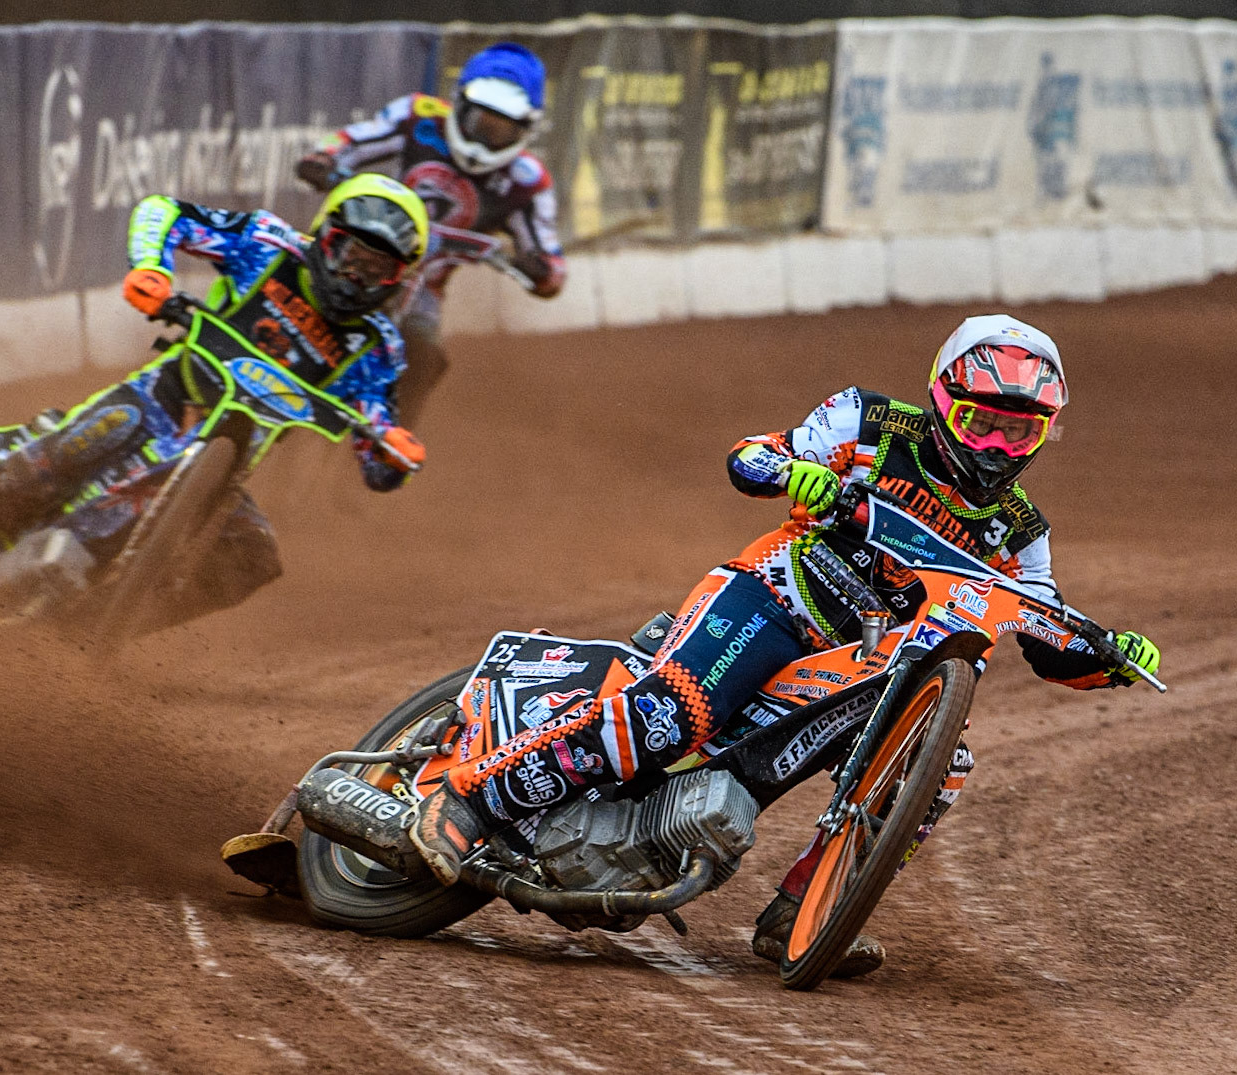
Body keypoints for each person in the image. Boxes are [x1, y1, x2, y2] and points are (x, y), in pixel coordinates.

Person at [409, 314, 1162, 977]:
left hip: (866, 670)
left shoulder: (1022, 532)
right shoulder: (869, 421)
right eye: (981, 423)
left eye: (1020, 430)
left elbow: (1047, 630)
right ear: (940, 402)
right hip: (776, 600)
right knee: (676, 718)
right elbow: (753, 456)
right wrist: (800, 473)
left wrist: (1110, 654)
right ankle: (472, 802)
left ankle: (804, 909)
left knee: (943, 766)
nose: (998, 447)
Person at [0, 175, 431, 609]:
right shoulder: (267, 244)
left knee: (251, 556)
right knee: (50, 462)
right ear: (325, 234)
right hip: (157, 401)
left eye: (374, 268)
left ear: (396, 280)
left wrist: (393, 450)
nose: (355, 275)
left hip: (222, 472)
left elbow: (377, 444)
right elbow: (165, 213)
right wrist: (151, 270)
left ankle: (85, 635)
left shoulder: (377, 349)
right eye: (350, 254)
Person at [295, 41, 566, 424]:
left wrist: (537, 266)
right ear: (458, 104)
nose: (485, 139)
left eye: (502, 130)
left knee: (422, 358)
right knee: (281, 288)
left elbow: (553, 268)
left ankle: (385, 445)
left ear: (527, 128)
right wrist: (323, 161)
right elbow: (346, 142)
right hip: (351, 249)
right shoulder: (418, 117)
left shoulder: (528, 182)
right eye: (480, 122)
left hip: (422, 288)